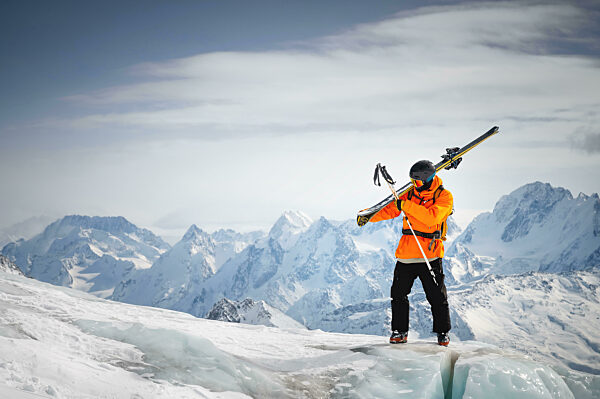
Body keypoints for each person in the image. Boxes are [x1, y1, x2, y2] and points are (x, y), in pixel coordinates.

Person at [365, 160, 453, 346]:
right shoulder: (409, 195)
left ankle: (442, 332)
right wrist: (369, 216)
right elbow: (391, 209)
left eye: (418, 182)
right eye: (412, 181)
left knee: (437, 296)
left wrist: (405, 205)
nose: (415, 185)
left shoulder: (444, 196)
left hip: (430, 254)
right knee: (398, 294)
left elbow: (432, 218)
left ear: (429, 178)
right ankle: (399, 331)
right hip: (406, 255)